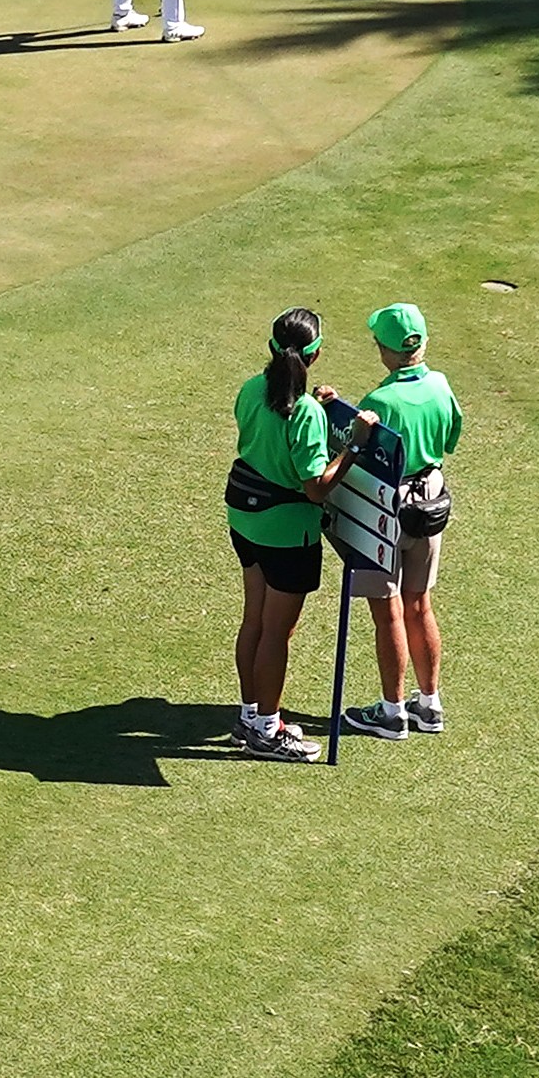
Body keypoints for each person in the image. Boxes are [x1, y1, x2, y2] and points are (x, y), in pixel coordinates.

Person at [326, 301, 465, 741]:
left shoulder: (380, 401)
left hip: (384, 512)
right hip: (430, 502)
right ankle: (429, 705)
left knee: (387, 612)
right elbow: (450, 439)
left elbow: (352, 451)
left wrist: (334, 413)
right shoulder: (441, 385)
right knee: (419, 604)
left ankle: (391, 713)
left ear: (386, 350)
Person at [223, 306, 337, 761]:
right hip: (288, 535)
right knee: (277, 633)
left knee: (254, 619)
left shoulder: (252, 388)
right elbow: (316, 488)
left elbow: (270, 431)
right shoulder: (305, 413)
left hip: (245, 521)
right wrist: (351, 449)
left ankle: (249, 716)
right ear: (316, 354)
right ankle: (268, 730)